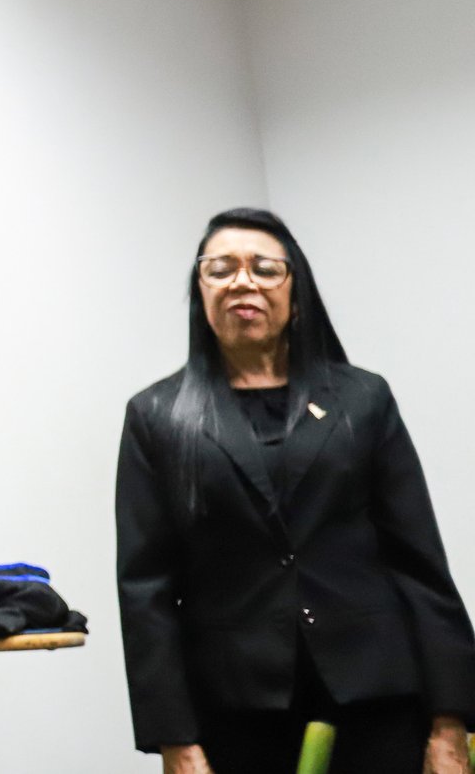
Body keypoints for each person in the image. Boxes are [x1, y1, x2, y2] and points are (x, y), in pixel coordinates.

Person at [117, 208, 475, 774]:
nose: (242, 282)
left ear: (297, 293)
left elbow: (419, 564)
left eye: (264, 268)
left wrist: (450, 720)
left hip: (377, 695)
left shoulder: (363, 400)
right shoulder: (158, 415)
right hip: (237, 709)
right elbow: (146, 593)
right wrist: (174, 741)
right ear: (200, 292)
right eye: (220, 269)